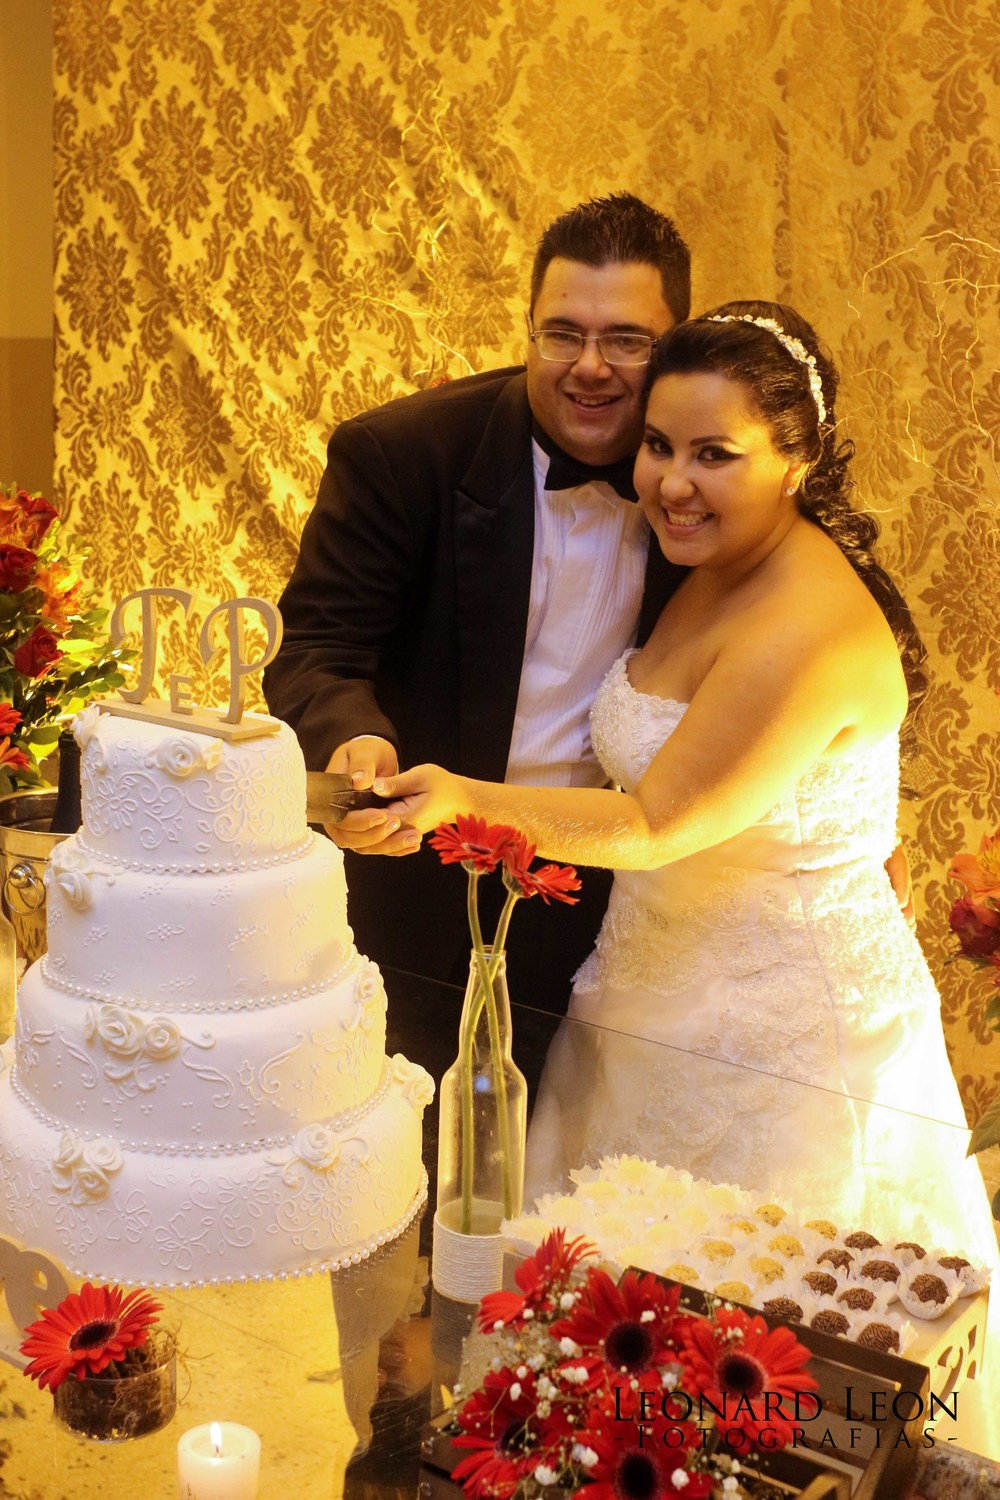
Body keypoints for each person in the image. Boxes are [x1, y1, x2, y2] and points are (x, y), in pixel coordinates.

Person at [380, 303, 999, 1271]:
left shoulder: (804, 624)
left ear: (796, 460)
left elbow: (656, 820)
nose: (672, 483)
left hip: (777, 1053)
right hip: (641, 990)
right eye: (659, 445)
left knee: (752, 1324)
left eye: (715, 455)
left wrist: (466, 801)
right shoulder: (706, 558)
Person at [264, 194, 692, 1010]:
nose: (590, 366)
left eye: (626, 340)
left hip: (618, 910)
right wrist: (354, 739)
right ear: (528, 330)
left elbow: (808, 628)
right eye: (562, 333)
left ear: (673, 346)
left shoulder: (708, 485)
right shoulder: (402, 454)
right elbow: (318, 645)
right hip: (413, 895)